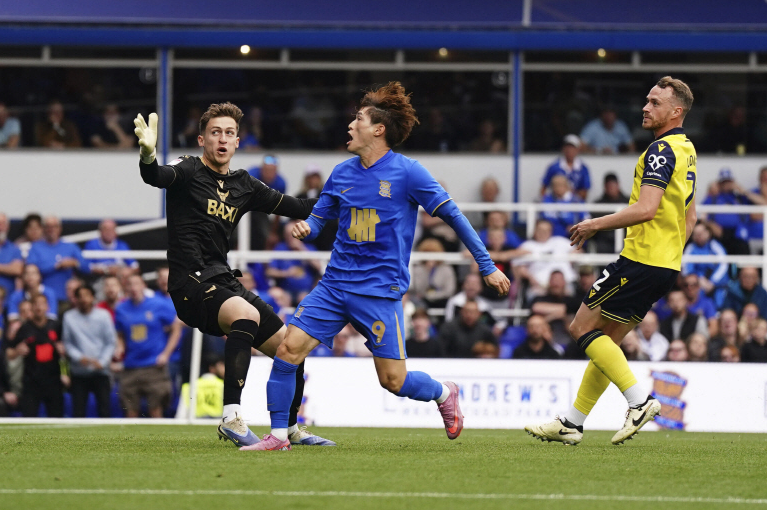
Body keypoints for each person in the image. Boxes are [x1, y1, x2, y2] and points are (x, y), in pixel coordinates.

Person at [253, 83, 510, 450]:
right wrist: (307, 227)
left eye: (358, 119)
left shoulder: (408, 173)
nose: (350, 125)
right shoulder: (341, 173)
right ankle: (279, 435)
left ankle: (443, 392)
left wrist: (487, 266)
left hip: (378, 291)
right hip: (335, 285)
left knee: (393, 381)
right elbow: (318, 219)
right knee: (288, 349)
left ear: (378, 129)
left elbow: (454, 215)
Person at [133, 103, 326, 447]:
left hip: (223, 280)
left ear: (238, 142)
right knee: (247, 314)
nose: (222, 139)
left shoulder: (244, 185)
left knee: (291, 348)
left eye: (229, 133)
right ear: (202, 139)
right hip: (188, 283)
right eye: (215, 133)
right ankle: (232, 417)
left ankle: (292, 427)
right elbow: (157, 176)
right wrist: (148, 156)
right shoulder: (189, 169)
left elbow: (296, 206)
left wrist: (345, 198)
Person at [527, 76, 697, 446]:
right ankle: (572, 422)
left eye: (655, 102)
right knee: (606, 342)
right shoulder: (687, 151)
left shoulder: (660, 151)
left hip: (639, 259)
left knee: (579, 327)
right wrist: (669, 255)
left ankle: (639, 402)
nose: (645, 107)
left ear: (675, 110)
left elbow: (647, 208)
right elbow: (691, 216)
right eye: (647, 100)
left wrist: (594, 223)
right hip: (666, 264)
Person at [114, 273, 181, 419]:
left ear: (144, 286)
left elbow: (176, 327)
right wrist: (119, 347)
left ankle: (158, 441)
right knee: (130, 411)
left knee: (155, 410)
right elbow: (120, 333)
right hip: (130, 365)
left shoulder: (157, 304)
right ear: (125, 287)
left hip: (154, 365)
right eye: (130, 284)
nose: (133, 288)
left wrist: (166, 354)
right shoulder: (121, 308)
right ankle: (129, 441)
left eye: (137, 284)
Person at [62, 284, 116, 417]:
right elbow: (67, 343)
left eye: (87, 295)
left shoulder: (103, 316)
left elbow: (110, 342)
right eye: (79, 296)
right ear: (75, 299)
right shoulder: (69, 317)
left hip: (101, 371)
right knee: (78, 412)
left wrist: (102, 362)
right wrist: (80, 358)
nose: (83, 299)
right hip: (79, 372)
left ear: (93, 297)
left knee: (104, 411)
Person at [7, 293, 64, 417]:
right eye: (36, 304)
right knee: (29, 420)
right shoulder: (24, 328)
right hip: (31, 383)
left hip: (53, 382)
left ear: (48, 307)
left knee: (57, 421)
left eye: (42, 304)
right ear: (31, 307)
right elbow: (9, 354)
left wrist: (64, 352)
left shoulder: (56, 326)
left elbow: (66, 353)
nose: (39, 307)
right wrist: (17, 351)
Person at [26, 215, 82, 307]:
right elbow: (31, 271)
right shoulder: (36, 248)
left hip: (68, 299)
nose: (51, 229)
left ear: (60, 228)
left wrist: (75, 263)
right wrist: (57, 265)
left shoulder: (70, 247)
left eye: (54, 226)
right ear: (43, 229)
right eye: (48, 227)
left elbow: (86, 266)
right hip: (43, 300)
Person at [541, 134, 590, 200]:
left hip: (574, 204)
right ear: (563, 148)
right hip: (555, 202)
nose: (569, 150)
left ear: (577, 149)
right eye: (567, 147)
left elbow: (585, 191)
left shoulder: (583, 168)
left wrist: (570, 195)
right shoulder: (554, 167)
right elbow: (544, 188)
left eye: (572, 147)